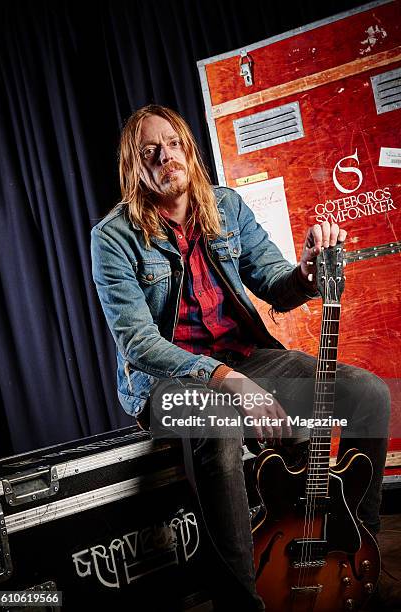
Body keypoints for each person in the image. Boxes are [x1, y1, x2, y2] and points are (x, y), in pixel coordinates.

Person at [90, 104, 390, 610]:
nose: (166, 156)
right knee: (220, 426)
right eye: (150, 151)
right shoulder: (113, 238)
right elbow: (138, 342)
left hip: (243, 358)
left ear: (188, 148)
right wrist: (226, 381)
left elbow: (275, 282)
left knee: (370, 394)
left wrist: (307, 274)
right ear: (133, 168)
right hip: (170, 379)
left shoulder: (226, 207)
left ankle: (355, 550)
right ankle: (240, 601)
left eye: (173, 143)